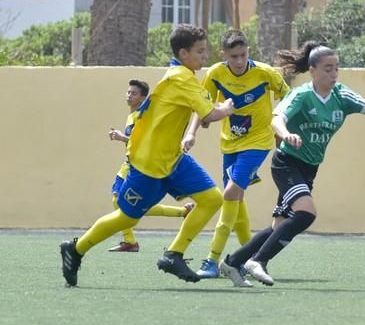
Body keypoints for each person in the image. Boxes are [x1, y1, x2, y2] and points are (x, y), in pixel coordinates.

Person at [218, 42, 365, 287]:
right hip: (287, 163)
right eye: (328, 69)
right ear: (312, 70)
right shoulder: (303, 95)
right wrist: (286, 135)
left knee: (280, 225)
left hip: (309, 168)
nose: (334, 74)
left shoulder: (342, 96)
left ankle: (233, 262)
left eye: (336, 68)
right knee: (306, 213)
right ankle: (258, 261)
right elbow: (277, 119)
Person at [59, 24, 234, 287]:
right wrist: (226, 109)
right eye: (200, 51)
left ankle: (173, 254)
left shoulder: (183, 76)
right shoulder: (181, 77)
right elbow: (209, 114)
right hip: (150, 163)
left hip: (173, 158)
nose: (204, 55)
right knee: (127, 218)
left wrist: (203, 119)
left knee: (212, 199)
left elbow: (197, 111)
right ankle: (76, 249)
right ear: (183, 52)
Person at [182, 29, 290, 279]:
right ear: (224, 55)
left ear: (248, 52)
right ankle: (250, 259)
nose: (239, 61)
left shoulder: (265, 73)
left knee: (229, 193)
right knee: (236, 201)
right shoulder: (216, 73)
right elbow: (200, 106)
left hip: (258, 143)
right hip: (229, 144)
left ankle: (213, 261)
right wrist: (191, 133)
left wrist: (281, 132)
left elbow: (288, 99)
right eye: (234, 56)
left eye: (243, 55)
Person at [107, 79, 194, 253]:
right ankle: (130, 240)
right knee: (120, 201)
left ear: (143, 98)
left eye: (134, 93)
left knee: (124, 203)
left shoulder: (142, 116)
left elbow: (144, 142)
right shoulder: (131, 115)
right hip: (129, 165)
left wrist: (120, 137)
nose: (129, 95)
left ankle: (131, 242)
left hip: (138, 167)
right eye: (129, 92)